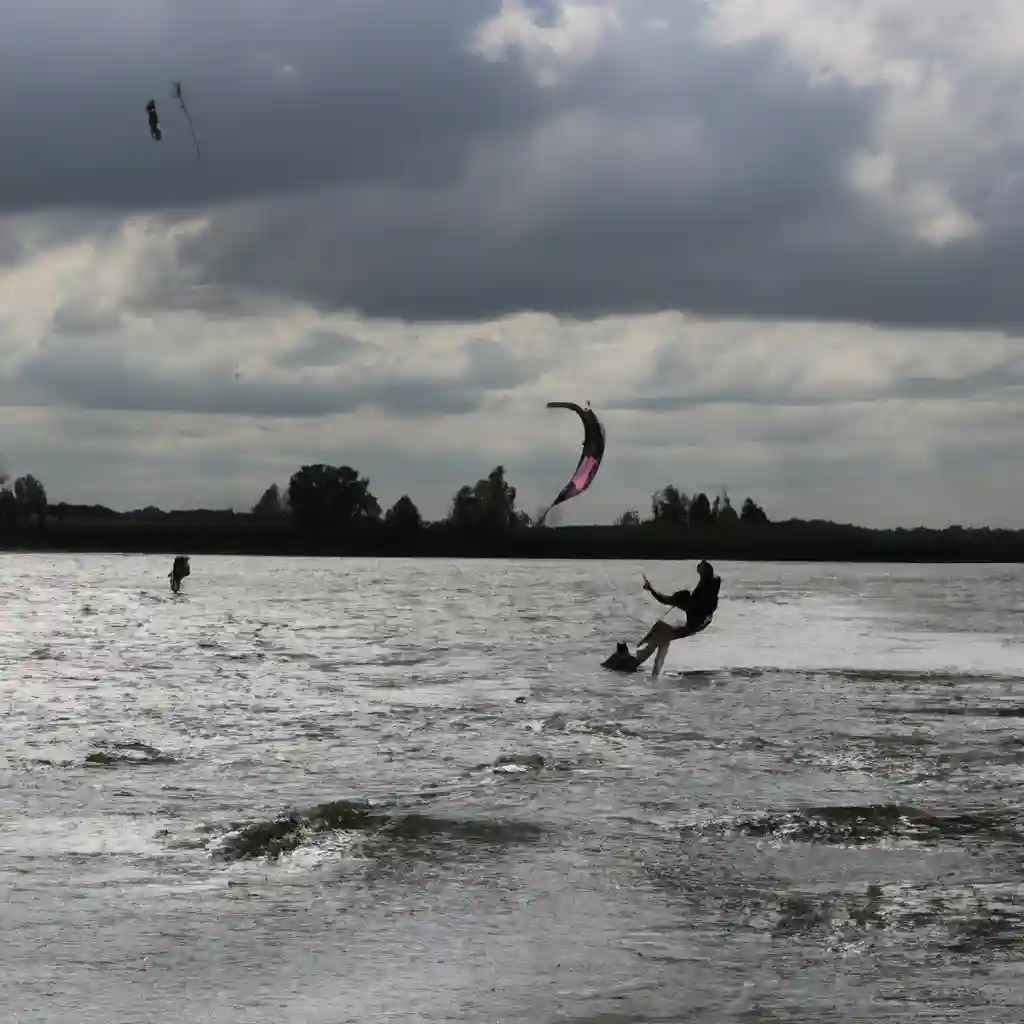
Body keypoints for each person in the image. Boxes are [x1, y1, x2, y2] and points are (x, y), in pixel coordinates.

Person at [617, 560, 722, 676]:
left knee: (662, 635)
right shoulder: (713, 582)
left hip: (697, 623)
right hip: (703, 620)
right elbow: (666, 600)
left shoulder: (696, 598)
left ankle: (641, 663)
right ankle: (652, 670)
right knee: (662, 632)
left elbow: (664, 599)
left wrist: (651, 589)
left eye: (700, 570)